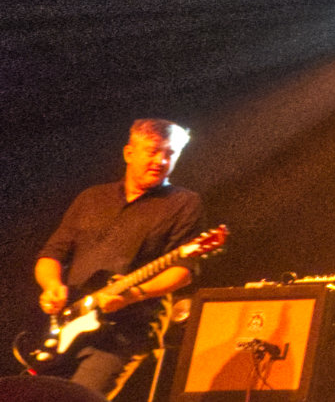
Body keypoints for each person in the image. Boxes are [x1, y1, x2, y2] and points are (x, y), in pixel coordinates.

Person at [34, 120, 206, 398]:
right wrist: (51, 285)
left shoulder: (184, 203)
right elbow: (51, 254)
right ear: (129, 153)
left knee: (79, 397)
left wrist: (133, 294)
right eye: (152, 151)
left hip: (127, 331)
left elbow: (183, 271)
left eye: (170, 153)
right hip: (70, 321)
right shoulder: (91, 198)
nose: (161, 160)